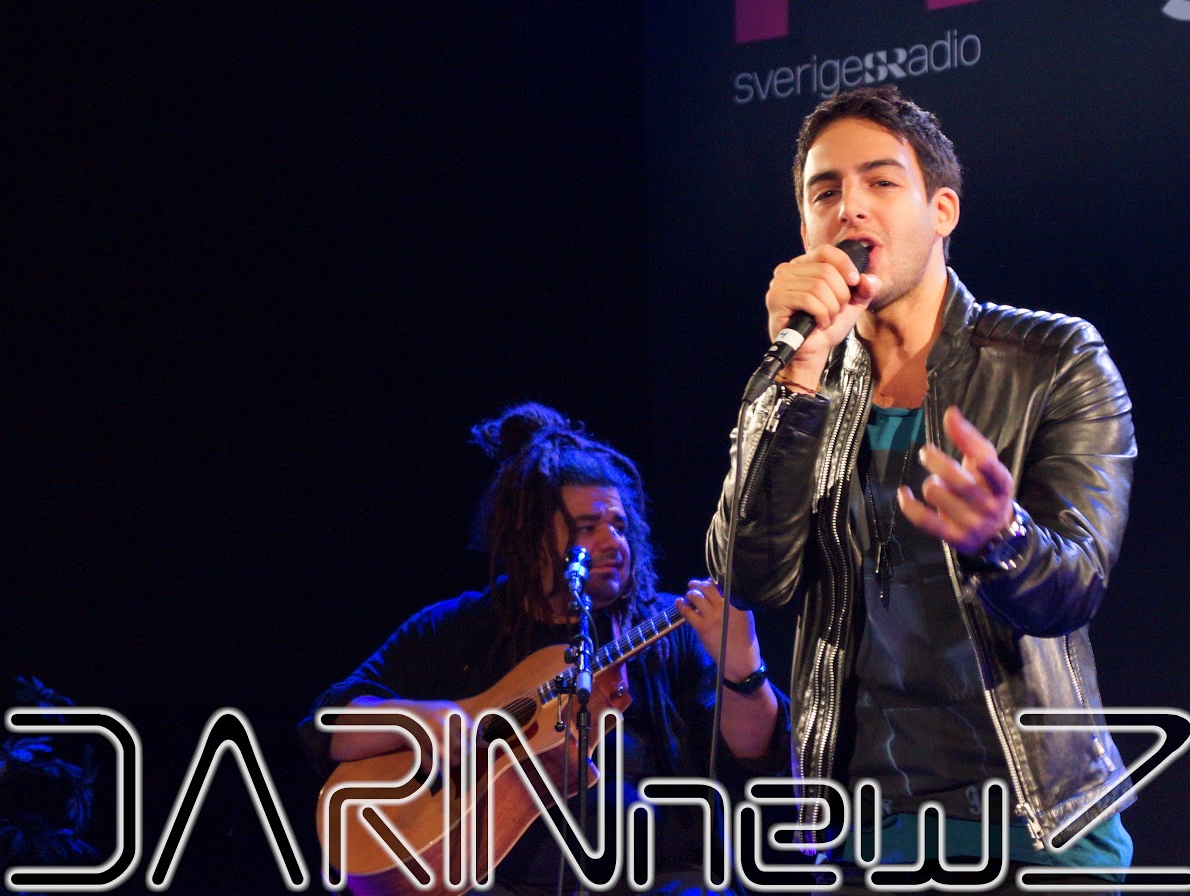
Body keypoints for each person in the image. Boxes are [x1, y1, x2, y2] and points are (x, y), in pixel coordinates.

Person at [707, 85, 1136, 891]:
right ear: (804, 232)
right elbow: (750, 576)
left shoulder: (1055, 360)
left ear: (942, 210)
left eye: (880, 181)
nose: (850, 208)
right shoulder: (799, 382)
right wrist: (796, 380)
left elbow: (1074, 586)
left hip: (1032, 831)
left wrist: (1000, 537)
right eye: (825, 193)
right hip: (864, 837)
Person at [303, 402, 787, 895]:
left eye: (620, 526)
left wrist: (744, 670)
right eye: (587, 527)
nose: (612, 542)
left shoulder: (675, 626)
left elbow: (756, 757)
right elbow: (330, 729)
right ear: (530, 538)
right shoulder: (458, 626)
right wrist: (419, 721)